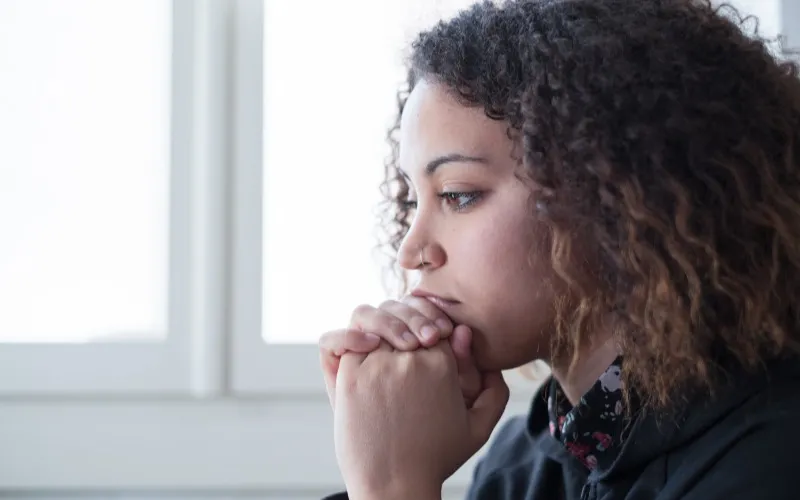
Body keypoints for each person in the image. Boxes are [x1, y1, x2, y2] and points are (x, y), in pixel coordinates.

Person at [318, 0, 800, 498]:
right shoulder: (521, 464)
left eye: (458, 195)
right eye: (413, 199)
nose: (411, 249)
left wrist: (393, 485)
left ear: (613, 194)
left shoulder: (774, 460)